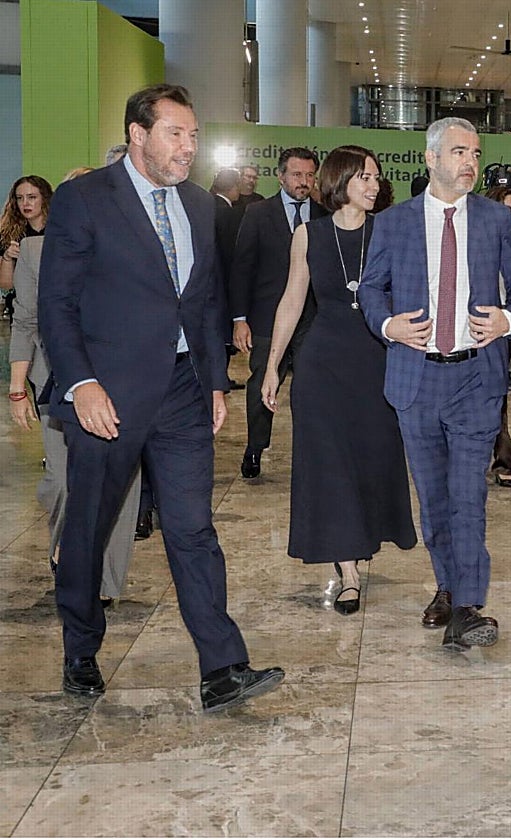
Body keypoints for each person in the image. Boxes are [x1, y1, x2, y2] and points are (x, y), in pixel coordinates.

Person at [38, 83, 282, 711]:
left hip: (181, 391)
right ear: (138, 135)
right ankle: (80, 650)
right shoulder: (85, 199)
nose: (189, 147)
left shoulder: (200, 205)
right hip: (107, 395)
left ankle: (222, 667)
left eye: (194, 135)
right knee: (91, 528)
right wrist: (81, 383)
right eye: (176, 133)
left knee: (193, 527)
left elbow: (201, 300)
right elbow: (56, 306)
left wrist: (213, 381)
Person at [358, 117, 511, 647]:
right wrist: (387, 325)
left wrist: (507, 321)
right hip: (415, 377)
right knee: (433, 497)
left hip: (476, 377)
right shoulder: (394, 222)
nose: (469, 162)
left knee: (467, 494)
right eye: (457, 152)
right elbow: (372, 289)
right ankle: (448, 587)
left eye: (475, 152)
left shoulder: (497, 220)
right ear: (430, 159)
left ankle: (469, 606)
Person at [261, 145, 417, 615]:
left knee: (370, 460)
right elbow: (292, 301)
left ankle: (366, 539)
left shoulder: (389, 231)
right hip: (323, 364)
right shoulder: (309, 235)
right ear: (341, 181)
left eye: (376, 177)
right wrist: (273, 365)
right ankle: (348, 571)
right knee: (329, 465)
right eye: (365, 177)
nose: (374, 185)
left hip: (378, 362)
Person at [8, 168, 140, 608]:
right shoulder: (33, 249)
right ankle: (67, 554)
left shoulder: (134, 245)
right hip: (56, 382)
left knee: (121, 486)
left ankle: (103, 582)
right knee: (63, 481)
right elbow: (25, 320)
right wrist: (16, 388)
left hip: (123, 380)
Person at [228, 147, 326, 480]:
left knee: (313, 388)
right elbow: (242, 268)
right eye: (297, 175)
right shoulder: (257, 213)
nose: (304, 182)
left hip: (313, 320)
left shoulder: (325, 214)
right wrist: (239, 318)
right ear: (281, 176)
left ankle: (314, 452)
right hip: (267, 317)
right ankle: (255, 447)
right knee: (261, 385)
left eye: (310, 175)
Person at [482, 184, 511, 488]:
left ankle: (505, 458)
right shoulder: (479, 242)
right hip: (482, 328)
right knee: (492, 399)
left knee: (499, 399)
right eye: (507, 208)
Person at [1, 176, 53, 323]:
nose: (25, 203)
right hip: (22, 314)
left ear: (45, 198)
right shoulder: (8, 234)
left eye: (32, 197)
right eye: (19, 198)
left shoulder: (61, 230)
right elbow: (6, 285)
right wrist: (7, 257)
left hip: (56, 311)